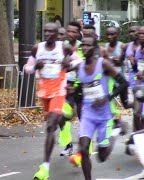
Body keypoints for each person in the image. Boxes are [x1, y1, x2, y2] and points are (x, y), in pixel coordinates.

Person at [70, 36, 128, 180]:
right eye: (83, 45)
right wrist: (72, 90)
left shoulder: (104, 64)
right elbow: (79, 88)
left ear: (95, 48)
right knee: (83, 149)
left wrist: (107, 97)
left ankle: (115, 132)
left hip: (103, 116)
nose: (85, 48)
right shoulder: (79, 67)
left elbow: (123, 83)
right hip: (88, 114)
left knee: (101, 157)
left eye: (88, 45)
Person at [24, 23, 71, 180]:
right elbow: (27, 68)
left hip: (59, 90)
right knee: (53, 121)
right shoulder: (37, 48)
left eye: (51, 31)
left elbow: (76, 61)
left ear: (57, 34)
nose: (47, 33)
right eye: (45, 30)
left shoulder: (63, 47)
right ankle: (64, 117)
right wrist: (35, 66)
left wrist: (69, 64)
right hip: (44, 92)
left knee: (50, 126)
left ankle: (45, 167)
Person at [59, 21, 84, 157]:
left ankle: (83, 147)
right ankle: (68, 144)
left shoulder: (83, 47)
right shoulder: (62, 47)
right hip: (65, 85)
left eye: (74, 32)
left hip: (80, 86)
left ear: (79, 32)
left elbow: (86, 66)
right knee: (61, 116)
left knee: (82, 117)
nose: (70, 34)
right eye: (69, 31)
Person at [121, 26, 141, 132]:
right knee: (136, 111)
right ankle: (135, 133)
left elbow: (137, 66)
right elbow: (119, 60)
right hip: (133, 81)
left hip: (141, 81)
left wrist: (134, 62)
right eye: (129, 31)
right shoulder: (126, 46)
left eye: (133, 31)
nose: (131, 34)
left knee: (139, 111)